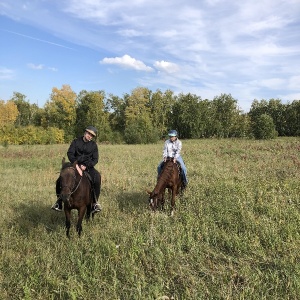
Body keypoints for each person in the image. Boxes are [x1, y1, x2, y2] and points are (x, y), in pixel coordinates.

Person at [51, 126, 102, 214]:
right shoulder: (75, 142)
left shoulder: (93, 145)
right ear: (85, 132)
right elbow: (70, 153)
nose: (90, 136)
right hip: (74, 165)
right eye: (89, 133)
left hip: (88, 167)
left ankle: (94, 203)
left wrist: (86, 166)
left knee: (97, 178)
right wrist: (76, 164)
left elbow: (95, 159)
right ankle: (59, 202)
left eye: (92, 135)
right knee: (60, 178)